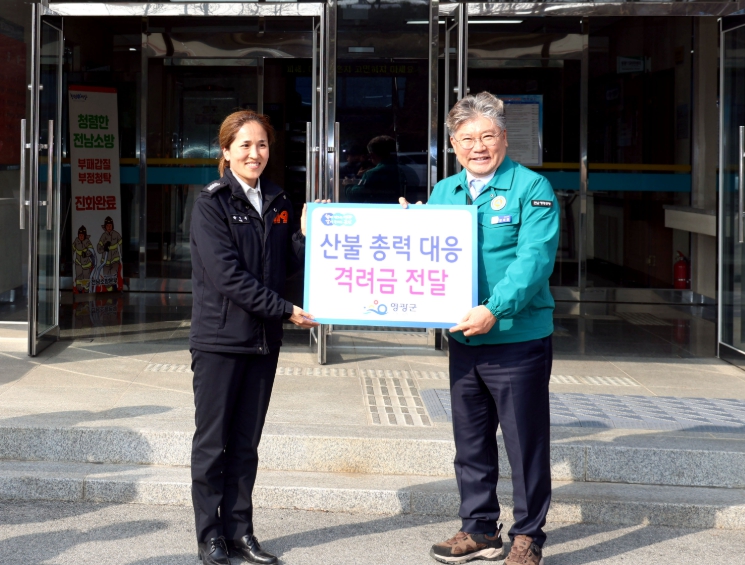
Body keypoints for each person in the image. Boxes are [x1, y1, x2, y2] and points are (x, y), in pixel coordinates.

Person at [401, 92, 559, 565]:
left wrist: (493, 308)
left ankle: (528, 536)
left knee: (524, 443)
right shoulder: (444, 192)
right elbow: (427, 254)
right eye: (468, 139)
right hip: (464, 339)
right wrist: (405, 228)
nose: (479, 147)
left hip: (516, 337)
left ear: (505, 138)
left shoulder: (532, 188)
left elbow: (534, 261)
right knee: (470, 442)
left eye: (488, 136)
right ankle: (480, 529)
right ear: (453, 145)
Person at [189, 110, 320, 565]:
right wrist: (285, 309)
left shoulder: (279, 199)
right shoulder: (211, 204)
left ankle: (240, 532)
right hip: (220, 341)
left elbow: (285, 265)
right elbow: (228, 276)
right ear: (226, 151)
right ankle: (210, 536)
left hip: (263, 341)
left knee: (246, 445)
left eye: (261, 144)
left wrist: (306, 237)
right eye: (244, 145)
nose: (254, 153)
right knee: (213, 444)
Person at [345, 135, 405, 203]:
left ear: (372, 155)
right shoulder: (405, 170)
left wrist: (348, 185)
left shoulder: (372, 174)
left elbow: (355, 197)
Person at [96, 216, 122, 290]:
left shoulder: (116, 234)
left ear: (112, 226)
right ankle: (110, 292)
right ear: (105, 226)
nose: (109, 227)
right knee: (107, 282)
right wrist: (104, 248)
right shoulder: (103, 236)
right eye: (107, 226)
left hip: (115, 261)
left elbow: (121, 245)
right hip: (105, 262)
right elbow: (98, 248)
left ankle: (115, 290)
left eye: (110, 225)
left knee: (113, 277)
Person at [73, 225, 95, 293]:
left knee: (86, 278)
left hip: (86, 264)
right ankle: (79, 290)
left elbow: (91, 251)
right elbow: (72, 249)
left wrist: (86, 254)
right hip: (78, 264)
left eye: (82, 235)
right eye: (80, 235)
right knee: (79, 277)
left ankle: (86, 290)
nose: (81, 236)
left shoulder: (87, 241)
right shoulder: (76, 241)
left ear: (85, 235)